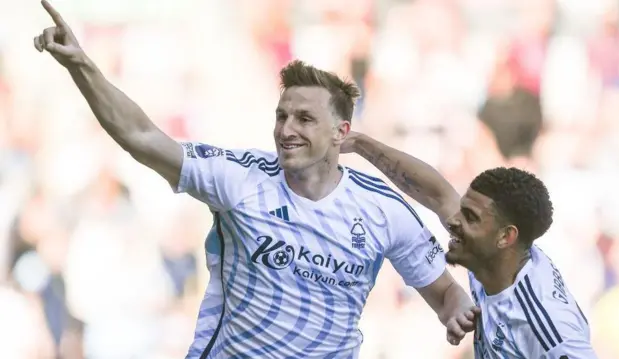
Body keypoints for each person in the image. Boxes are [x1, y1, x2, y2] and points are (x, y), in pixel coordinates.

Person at [33, 1, 479, 357]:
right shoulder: (238, 178)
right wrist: (81, 66)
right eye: (282, 115)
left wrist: (457, 309)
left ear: (342, 133)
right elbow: (141, 136)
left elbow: (445, 294)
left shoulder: (382, 209)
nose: (287, 129)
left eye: (305, 118)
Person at [341, 131, 598, 358]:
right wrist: (359, 143)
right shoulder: (492, 257)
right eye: (463, 209)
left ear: (505, 237)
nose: (454, 222)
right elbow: (438, 195)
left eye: (470, 217)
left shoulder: (546, 325)